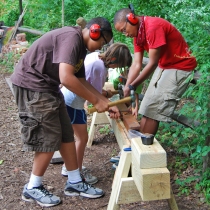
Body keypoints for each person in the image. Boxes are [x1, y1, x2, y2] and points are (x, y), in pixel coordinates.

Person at [10, 17, 120, 207]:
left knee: (66, 134)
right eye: (101, 42)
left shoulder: (81, 48)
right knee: (48, 136)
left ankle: (75, 181)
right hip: (33, 86)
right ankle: (32, 187)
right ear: (93, 31)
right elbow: (66, 77)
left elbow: (81, 80)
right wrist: (95, 100)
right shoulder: (72, 39)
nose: (100, 47)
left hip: (48, 87)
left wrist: (104, 101)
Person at [113, 4, 197, 136]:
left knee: (155, 111)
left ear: (132, 19)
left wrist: (133, 85)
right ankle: (138, 145)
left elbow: (152, 63)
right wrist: (128, 86)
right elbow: (136, 64)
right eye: (122, 32)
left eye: (124, 30)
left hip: (180, 66)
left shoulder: (153, 27)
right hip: (165, 65)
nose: (126, 34)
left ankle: (142, 151)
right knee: (147, 107)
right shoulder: (138, 34)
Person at [61, 42, 132, 183]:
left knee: (80, 137)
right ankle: (76, 172)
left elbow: (92, 87)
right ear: (112, 59)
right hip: (72, 102)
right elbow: (94, 97)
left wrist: (105, 93)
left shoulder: (95, 56)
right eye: (117, 66)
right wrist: (111, 106)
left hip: (69, 99)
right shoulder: (99, 67)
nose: (116, 68)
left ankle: (68, 167)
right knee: (82, 138)